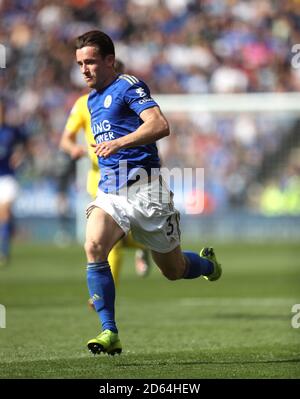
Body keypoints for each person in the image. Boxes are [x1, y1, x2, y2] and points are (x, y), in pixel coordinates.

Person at [75, 30, 222, 355]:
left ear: (110, 60)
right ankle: (109, 331)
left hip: (148, 192)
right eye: (81, 64)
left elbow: (160, 125)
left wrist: (119, 142)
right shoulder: (90, 101)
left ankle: (208, 266)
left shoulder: (128, 86)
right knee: (94, 245)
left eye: (91, 62)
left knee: (173, 271)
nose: (85, 69)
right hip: (112, 193)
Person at [60, 59, 151, 285]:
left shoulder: (130, 97)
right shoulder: (83, 103)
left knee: (114, 237)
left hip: (128, 173)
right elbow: (65, 139)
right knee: (110, 240)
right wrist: (74, 149)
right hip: (98, 179)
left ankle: (111, 287)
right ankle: (142, 246)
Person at [0, 98, 27, 267]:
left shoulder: (12, 131)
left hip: (8, 178)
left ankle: (4, 251)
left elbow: (25, 144)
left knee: (5, 213)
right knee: (3, 216)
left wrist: (20, 155)